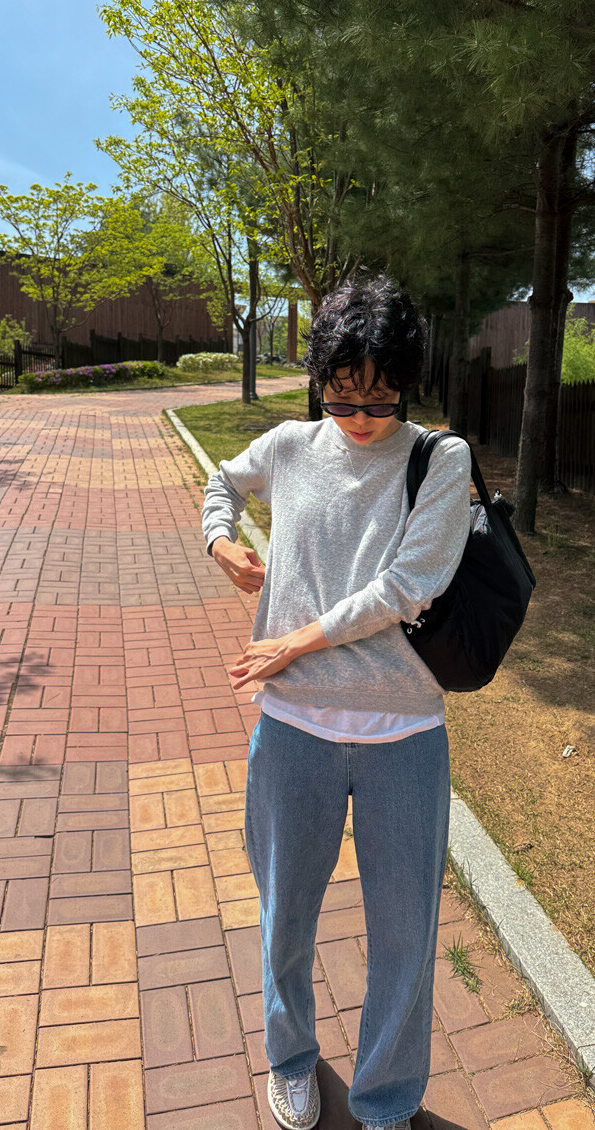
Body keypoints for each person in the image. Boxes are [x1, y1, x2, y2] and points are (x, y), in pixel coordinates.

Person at [201, 274, 471, 1130]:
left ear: (407, 384)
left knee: (405, 934)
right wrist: (220, 543)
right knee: (285, 914)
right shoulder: (288, 445)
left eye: (380, 398)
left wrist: (295, 641)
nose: (359, 416)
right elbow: (220, 483)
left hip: (405, 731)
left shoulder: (440, 459)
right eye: (342, 394)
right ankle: (290, 1059)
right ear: (319, 377)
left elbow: (409, 586)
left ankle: (386, 1101)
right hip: (293, 731)